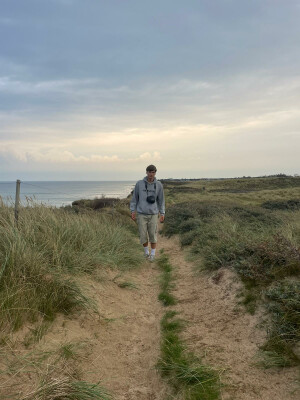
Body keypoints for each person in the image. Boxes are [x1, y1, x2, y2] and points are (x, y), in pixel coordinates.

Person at [130, 164, 165, 262]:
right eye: (149, 172)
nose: (151, 174)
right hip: (141, 213)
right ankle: (146, 252)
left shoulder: (158, 185)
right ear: (146, 172)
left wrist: (162, 213)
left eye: (153, 172)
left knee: (153, 235)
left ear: (155, 173)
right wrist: (133, 211)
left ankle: (152, 254)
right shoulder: (139, 184)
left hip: (153, 214)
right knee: (142, 234)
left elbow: (161, 200)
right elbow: (134, 199)